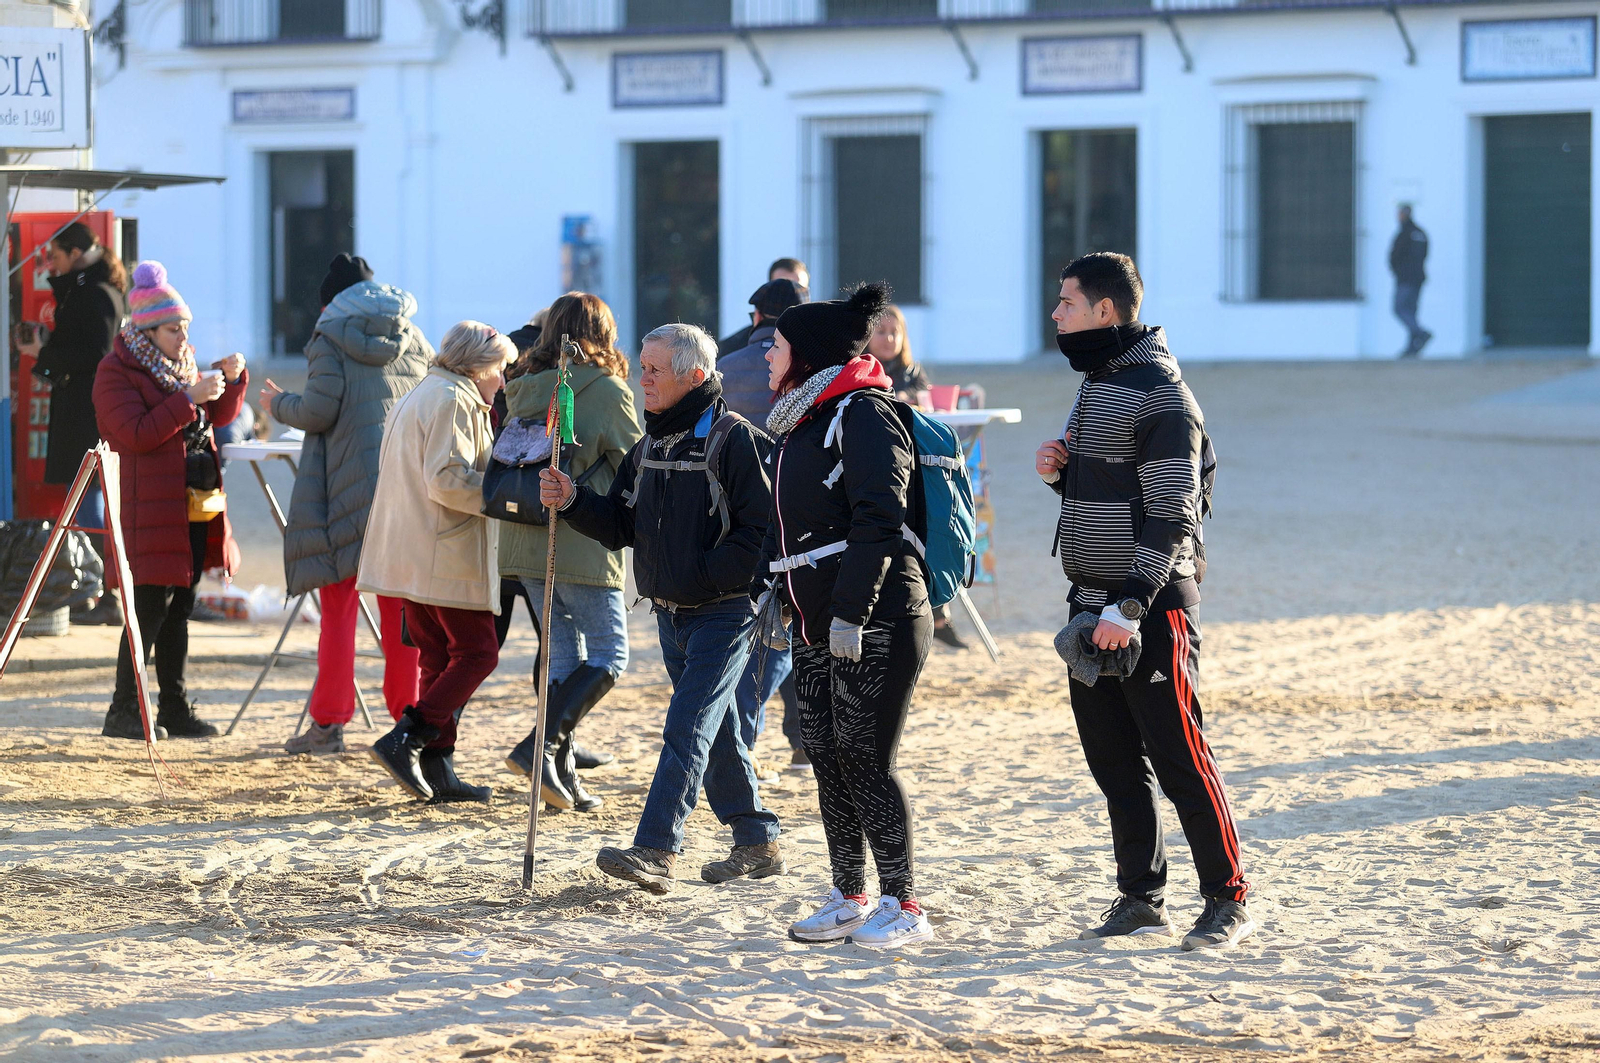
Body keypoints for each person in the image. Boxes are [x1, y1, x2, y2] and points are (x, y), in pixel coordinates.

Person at [1038, 252, 1252, 951]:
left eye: (1067, 302)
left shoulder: (1161, 392)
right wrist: (1061, 475)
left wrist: (1126, 608)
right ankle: (1141, 896)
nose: (1056, 313)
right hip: (1088, 605)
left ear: (1106, 310)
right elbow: (1113, 492)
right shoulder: (1097, 383)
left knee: (1180, 757)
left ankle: (1228, 898)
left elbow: (1171, 513)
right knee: (1115, 765)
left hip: (1147, 610)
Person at [539, 322, 782, 894]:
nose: (640, 379)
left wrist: (706, 577)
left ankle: (656, 849)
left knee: (687, 726)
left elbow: (760, 533)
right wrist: (573, 500)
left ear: (694, 377)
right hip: (670, 614)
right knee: (715, 729)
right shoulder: (650, 447)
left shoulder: (735, 440)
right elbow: (622, 524)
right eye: (641, 367)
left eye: (652, 371)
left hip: (725, 613)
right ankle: (756, 838)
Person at [756, 282, 936, 948]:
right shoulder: (801, 416)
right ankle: (849, 893)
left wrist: (852, 614)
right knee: (827, 755)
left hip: (877, 617)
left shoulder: (863, 412)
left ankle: (905, 902)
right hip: (813, 622)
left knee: (867, 757)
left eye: (774, 347)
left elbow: (879, 520)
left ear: (804, 355)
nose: (766, 358)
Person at [262, 254, 432, 755]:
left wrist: (277, 403)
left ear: (330, 301)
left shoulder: (329, 337)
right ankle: (408, 721)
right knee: (402, 611)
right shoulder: (413, 335)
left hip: (348, 486)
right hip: (405, 485)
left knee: (338, 608)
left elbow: (317, 410)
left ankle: (330, 724)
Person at [359, 322, 514, 804]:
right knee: (477, 653)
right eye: (501, 370)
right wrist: (502, 496)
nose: (503, 383)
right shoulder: (454, 399)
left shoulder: (425, 391)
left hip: (413, 547)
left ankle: (438, 768)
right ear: (479, 366)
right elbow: (447, 480)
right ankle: (410, 735)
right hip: (440, 549)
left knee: (438, 656)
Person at [92, 261, 247, 741]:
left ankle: (174, 708)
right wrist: (189, 398)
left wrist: (230, 381)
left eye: (185, 327)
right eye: (174, 329)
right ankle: (124, 711)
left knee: (181, 607)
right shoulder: (115, 371)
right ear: (147, 329)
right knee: (147, 612)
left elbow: (213, 414)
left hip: (189, 504)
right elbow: (136, 434)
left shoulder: (178, 366)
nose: (183, 336)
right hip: (147, 507)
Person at [500, 292, 642, 813]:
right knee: (610, 654)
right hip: (580, 536)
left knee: (562, 656)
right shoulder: (604, 389)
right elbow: (636, 459)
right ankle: (540, 747)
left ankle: (555, 775)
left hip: (522, 536)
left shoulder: (522, 386)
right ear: (603, 333)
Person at [719, 277, 811, 778]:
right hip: (787, 517)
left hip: (731, 517)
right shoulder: (809, 372)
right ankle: (751, 744)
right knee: (780, 634)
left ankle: (754, 742)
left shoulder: (725, 369)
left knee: (749, 629)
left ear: (756, 317)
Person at [18, 222, 129, 627]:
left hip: (88, 415)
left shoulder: (95, 294)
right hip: (87, 412)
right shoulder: (95, 289)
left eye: (58, 257)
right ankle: (101, 590)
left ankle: (105, 591)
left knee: (89, 502)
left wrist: (45, 352)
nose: (52, 265)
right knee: (86, 500)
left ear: (77, 254)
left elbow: (95, 356)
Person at [867, 303, 966, 649]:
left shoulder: (911, 370)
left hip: (920, 466)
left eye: (895, 332)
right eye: (881, 331)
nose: (890, 338)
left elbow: (930, 410)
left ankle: (940, 614)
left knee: (934, 531)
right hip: (886, 466)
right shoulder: (864, 370)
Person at [717, 257, 810, 357]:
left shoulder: (819, 344)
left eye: (798, 288)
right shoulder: (733, 346)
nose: (789, 293)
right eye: (780, 288)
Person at [1389, 204, 1431, 357]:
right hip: (1418, 278)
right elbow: (1425, 254)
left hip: (1406, 279)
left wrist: (1397, 270)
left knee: (1399, 309)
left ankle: (1421, 333)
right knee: (1411, 312)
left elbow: (1395, 255)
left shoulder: (1405, 233)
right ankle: (1411, 347)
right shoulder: (1420, 233)